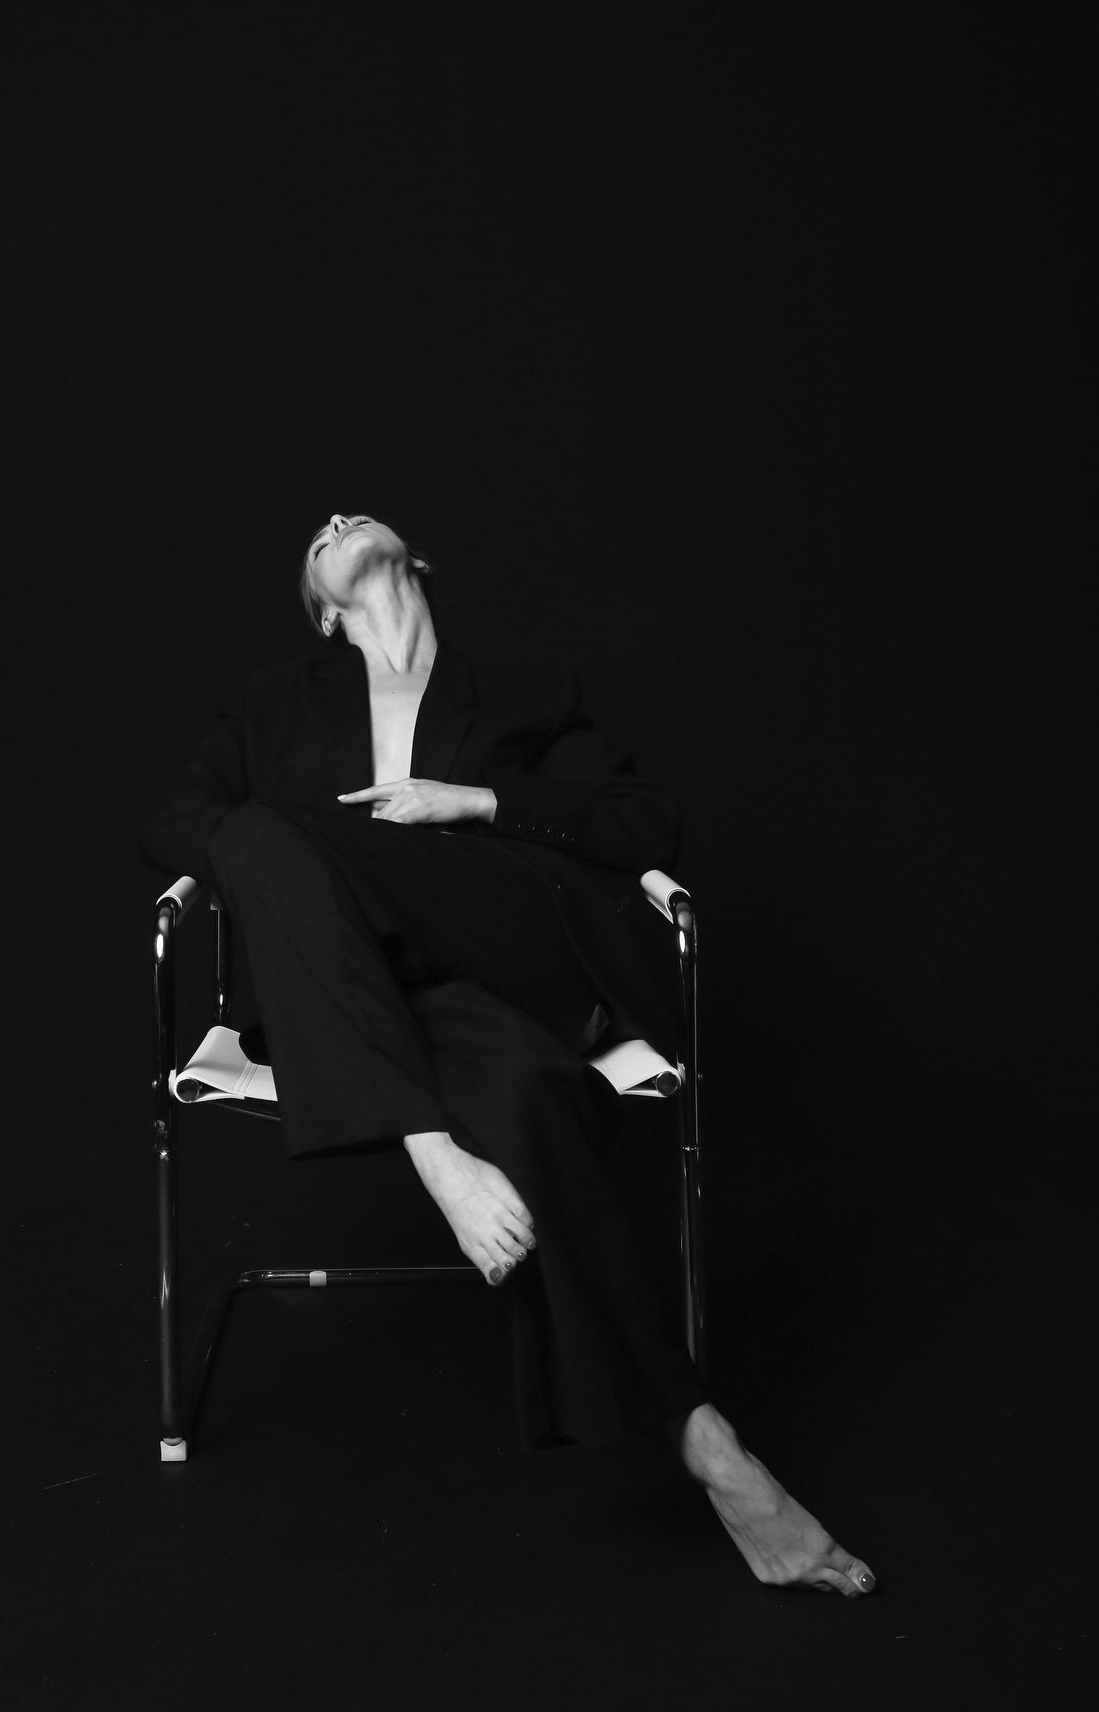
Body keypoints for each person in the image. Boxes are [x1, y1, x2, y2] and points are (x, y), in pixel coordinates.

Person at [141, 512, 877, 1598]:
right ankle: (709, 1443)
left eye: (356, 517)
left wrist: (474, 802)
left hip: (504, 950)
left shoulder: (528, 699)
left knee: (262, 831)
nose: (337, 520)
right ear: (323, 614)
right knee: (527, 1094)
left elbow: (644, 822)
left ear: (413, 561)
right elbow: (173, 824)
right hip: (380, 1000)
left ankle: (426, 1146)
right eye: (319, 537)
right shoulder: (274, 702)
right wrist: (296, 880)